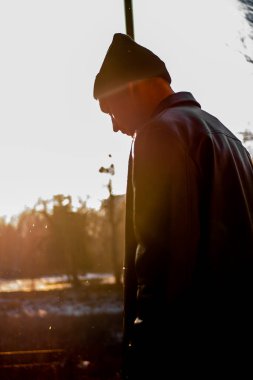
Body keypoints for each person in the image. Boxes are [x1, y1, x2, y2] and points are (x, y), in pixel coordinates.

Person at [93, 33, 253, 379]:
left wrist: (143, 348)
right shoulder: (228, 138)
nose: (116, 126)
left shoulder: (159, 134)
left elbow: (160, 255)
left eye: (111, 110)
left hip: (185, 349)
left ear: (133, 88)